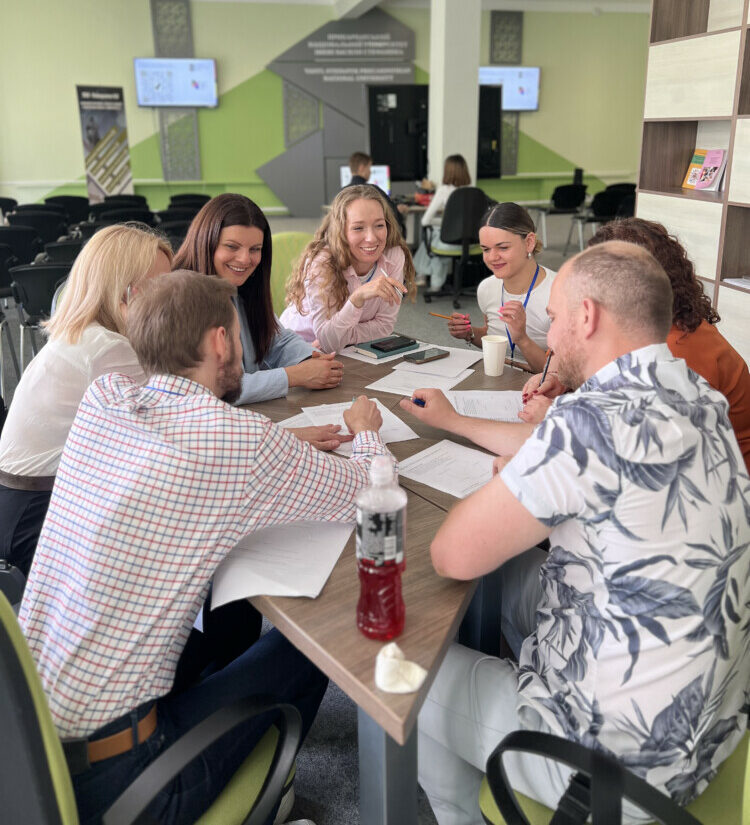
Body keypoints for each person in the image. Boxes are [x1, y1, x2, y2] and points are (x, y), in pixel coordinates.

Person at [19, 269, 392, 825]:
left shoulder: (105, 399)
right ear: (220, 340)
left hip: (26, 740)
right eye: (236, 336)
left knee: (231, 614)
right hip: (130, 784)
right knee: (321, 640)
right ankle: (272, 790)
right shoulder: (235, 440)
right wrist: (365, 430)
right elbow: (371, 493)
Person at [417, 241, 750, 825]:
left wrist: (518, 476)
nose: (550, 334)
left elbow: (450, 555)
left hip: (610, 768)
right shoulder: (697, 395)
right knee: (515, 572)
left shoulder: (589, 422)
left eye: (554, 317)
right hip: (710, 725)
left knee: (403, 672)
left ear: (587, 317)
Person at [0, 223, 172, 576]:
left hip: (18, 501)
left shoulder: (83, 332)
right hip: (41, 513)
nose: (171, 300)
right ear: (123, 290)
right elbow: (167, 424)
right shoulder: (109, 347)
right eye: (160, 288)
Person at [521, 218, 750, 472]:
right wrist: (559, 377)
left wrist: (555, 417)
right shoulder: (654, 324)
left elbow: (639, 450)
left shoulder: (675, 354)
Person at [173, 194, 344, 405]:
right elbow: (219, 388)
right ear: (206, 242)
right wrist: (294, 376)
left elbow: (276, 339)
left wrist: (313, 358)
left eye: (255, 249)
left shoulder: (240, 285)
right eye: (232, 246)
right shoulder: (181, 299)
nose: (245, 259)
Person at [280, 185, 416, 353]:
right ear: (341, 231)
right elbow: (329, 342)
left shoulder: (393, 256)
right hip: (296, 347)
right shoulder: (323, 263)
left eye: (379, 225)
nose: (371, 238)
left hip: (347, 349)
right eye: (358, 228)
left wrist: (342, 337)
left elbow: (385, 326)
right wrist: (357, 299)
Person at [445, 202, 555, 372]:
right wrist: (469, 333)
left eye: (503, 247)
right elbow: (494, 335)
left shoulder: (559, 292)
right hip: (499, 376)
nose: (492, 257)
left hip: (541, 383)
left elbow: (562, 375)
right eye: (485, 249)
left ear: (529, 242)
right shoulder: (486, 288)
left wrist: (522, 339)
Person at [413, 154, 472, 291]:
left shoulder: (444, 191)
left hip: (450, 244)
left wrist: (442, 222)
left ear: (447, 171)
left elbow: (425, 221)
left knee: (430, 235)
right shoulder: (473, 190)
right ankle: (423, 275)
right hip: (471, 244)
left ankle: (431, 281)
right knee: (434, 234)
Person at [345, 150, 407, 235]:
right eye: (369, 168)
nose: (370, 172)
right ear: (362, 168)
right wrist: (398, 211)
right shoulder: (373, 191)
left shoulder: (341, 194)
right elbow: (393, 215)